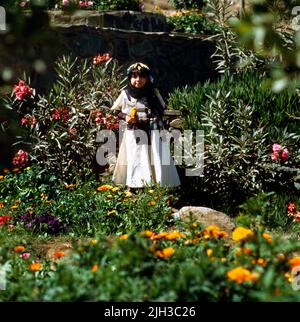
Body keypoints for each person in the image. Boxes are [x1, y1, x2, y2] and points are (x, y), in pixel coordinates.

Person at [111, 62, 181, 189]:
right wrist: (126, 117)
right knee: (136, 157)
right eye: (135, 76)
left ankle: (159, 185)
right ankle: (135, 186)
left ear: (148, 78)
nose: (138, 80)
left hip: (153, 132)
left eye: (142, 76)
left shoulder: (153, 92)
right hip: (134, 132)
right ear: (129, 78)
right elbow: (116, 110)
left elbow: (162, 107)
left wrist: (154, 116)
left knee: (156, 156)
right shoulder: (125, 94)